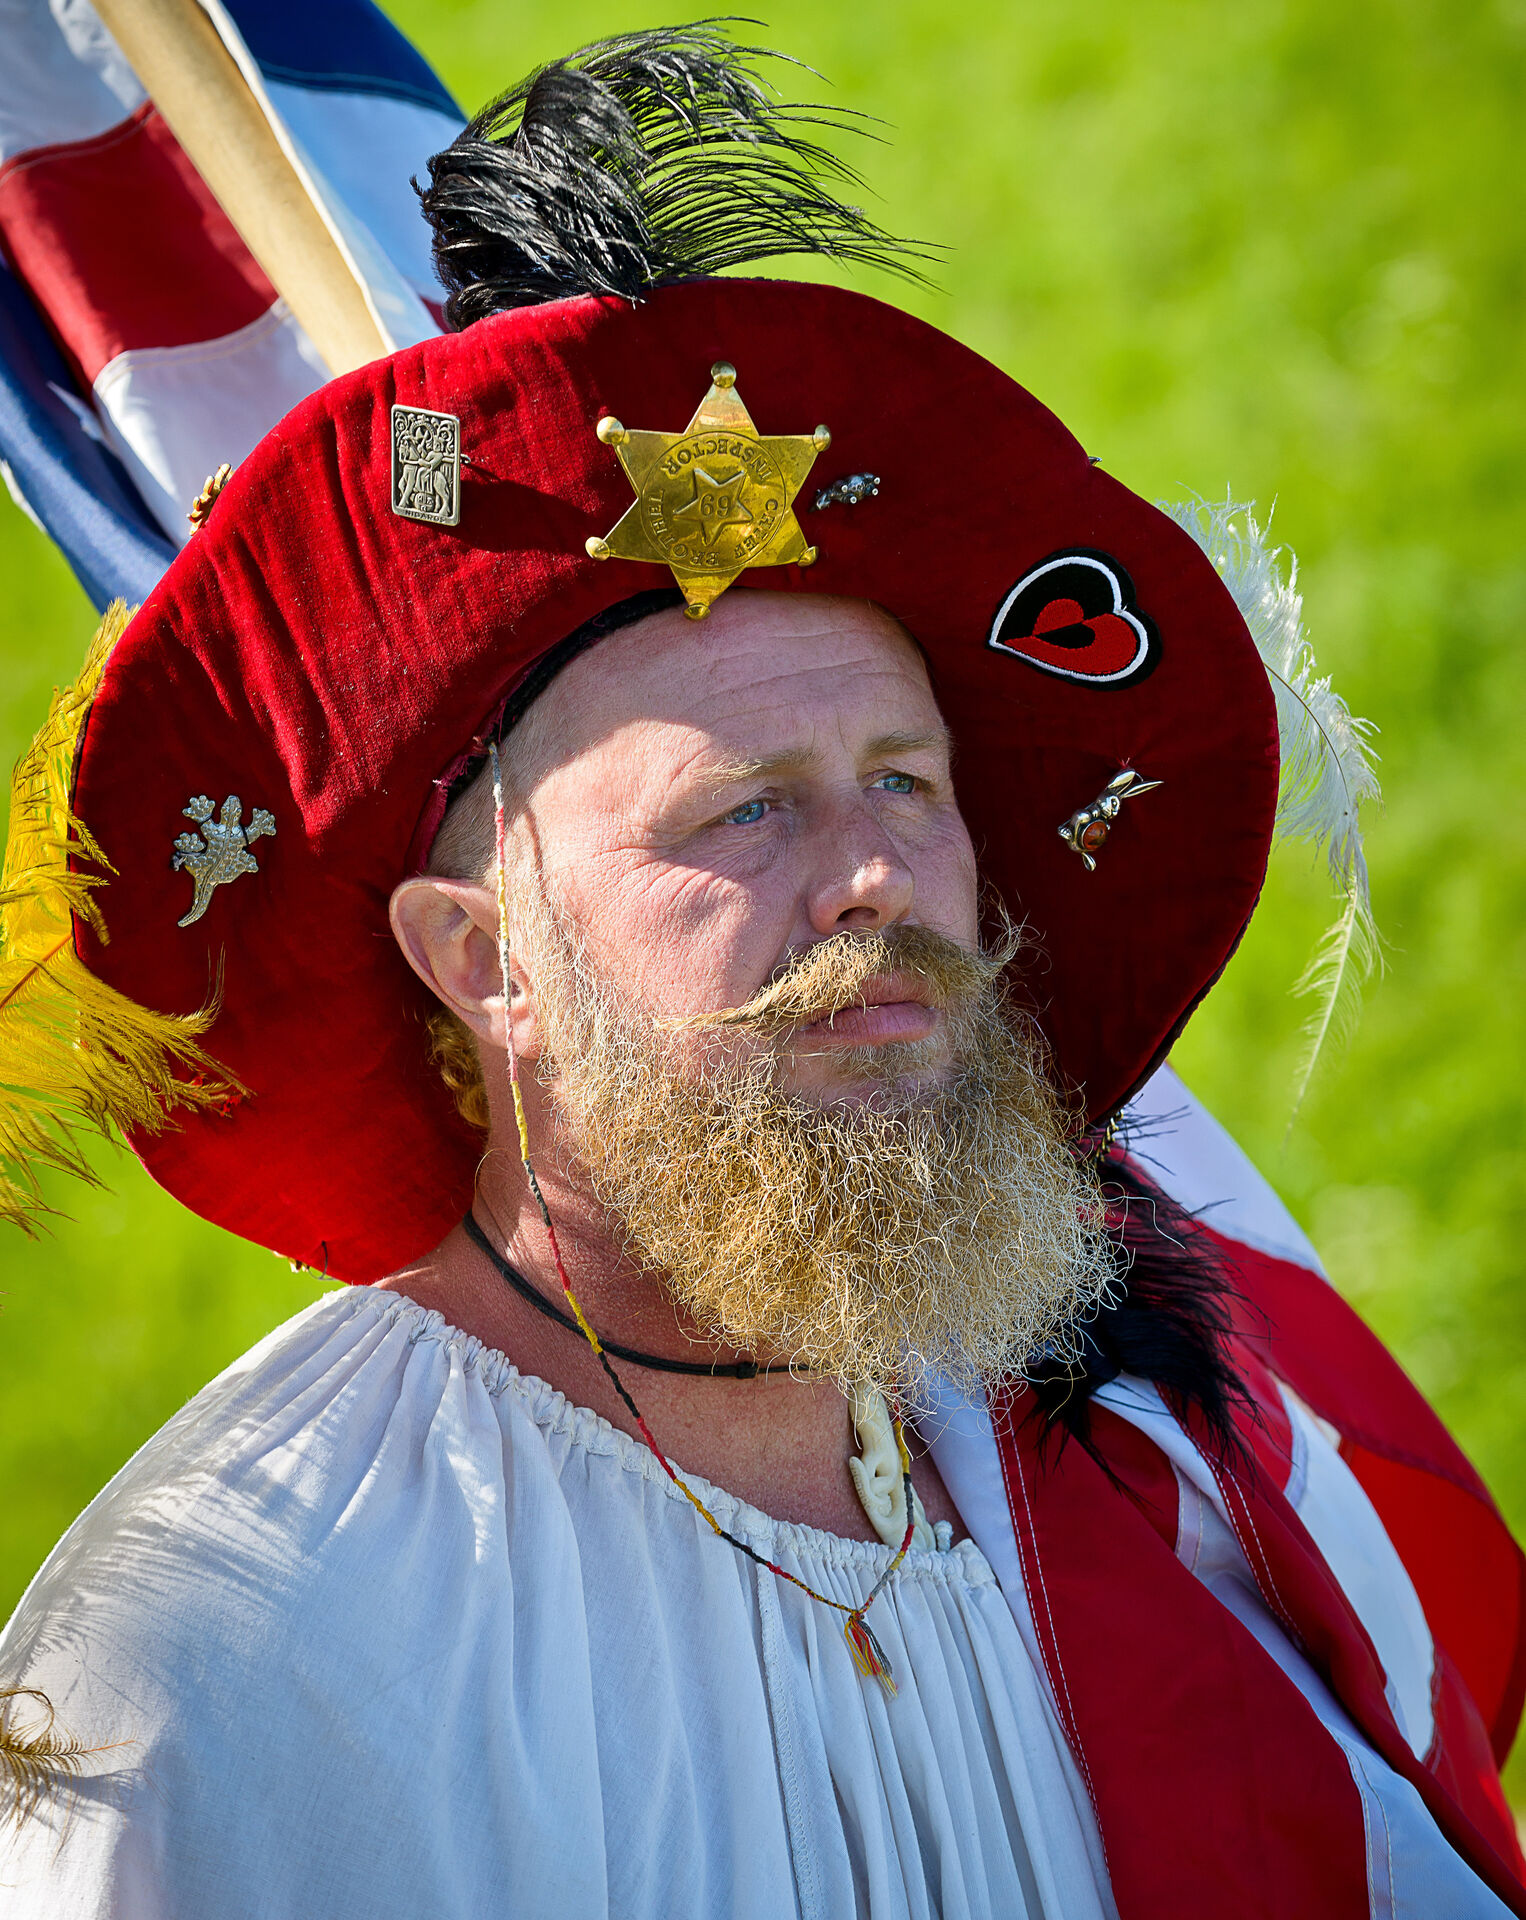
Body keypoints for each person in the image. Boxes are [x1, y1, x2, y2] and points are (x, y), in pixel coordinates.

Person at [1, 28, 1521, 1919]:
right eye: (739, 811)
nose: (877, 876)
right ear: (485, 958)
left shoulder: (1140, 1472)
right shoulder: (238, 1667)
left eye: (906, 783)